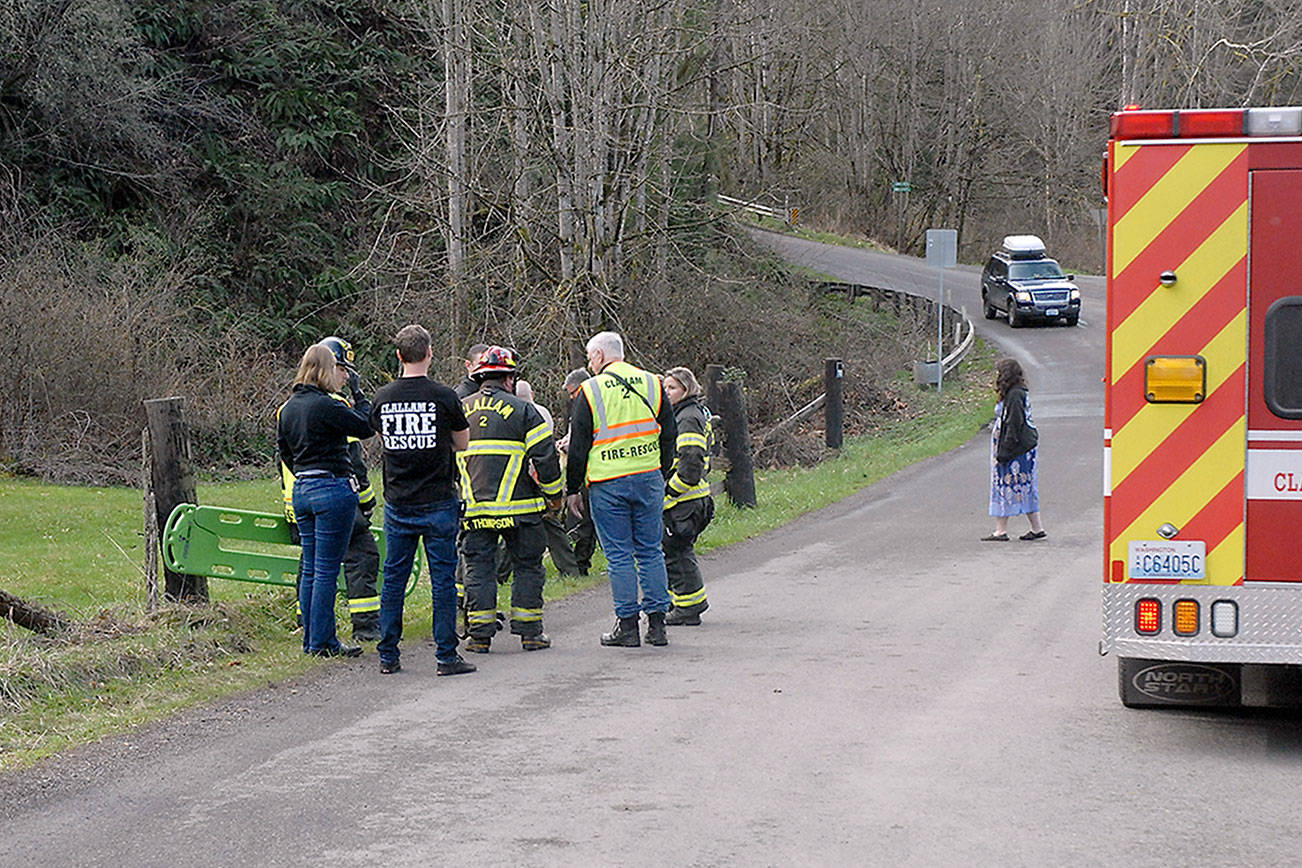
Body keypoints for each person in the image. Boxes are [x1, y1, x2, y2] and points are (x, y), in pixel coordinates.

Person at [371, 324, 475, 676]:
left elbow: (382, 436)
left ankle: (388, 654)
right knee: (443, 580)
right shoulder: (445, 397)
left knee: (394, 579)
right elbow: (463, 444)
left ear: (398, 356)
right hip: (438, 500)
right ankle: (446, 656)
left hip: (399, 500)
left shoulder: (382, 398)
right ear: (430, 353)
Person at [566, 331, 676, 647]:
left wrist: (573, 488)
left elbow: (578, 446)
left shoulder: (590, 390)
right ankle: (658, 627)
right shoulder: (654, 383)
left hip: (607, 483)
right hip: (648, 477)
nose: (589, 363)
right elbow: (669, 434)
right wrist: (661, 472)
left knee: (619, 555)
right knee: (651, 550)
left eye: (590, 357)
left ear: (600, 356)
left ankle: (627, 627)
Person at [458, 350, 564, 653]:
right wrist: (554, 498)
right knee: (528, 566)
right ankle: (530, 633)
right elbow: (546, 460)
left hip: (475, 508)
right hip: (522, 510)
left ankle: (478, 636)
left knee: (478, 567)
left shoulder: (460, 409)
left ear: (478, 378)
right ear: (510, 378)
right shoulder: (526, 411)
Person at [277, 336, 382, 642]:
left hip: (302, 491)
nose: (346, 376)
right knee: (326, 571)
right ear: (325, 370)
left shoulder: (288, 409)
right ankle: (324, 641)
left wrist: (305, 471)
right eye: (342, 370)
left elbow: (285, 452)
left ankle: (311, 636)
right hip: (331, 489)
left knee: (311, 567)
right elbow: (366, 427)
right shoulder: (327, 405)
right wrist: (360, 394)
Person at [661, 366, 714, 626]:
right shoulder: (687, 413)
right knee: (675, 552)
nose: (667, 392)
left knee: (678, 552)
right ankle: (682, 603)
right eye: (665, 387)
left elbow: (691, 459)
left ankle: (689, 608)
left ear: (687, 389)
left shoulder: (688, 417)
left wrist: (671, 491)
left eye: (672, 388)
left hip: (685, 499)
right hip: (691, 498)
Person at [983, 357, 1046, 542]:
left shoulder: (1015, 394)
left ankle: (1001, 531)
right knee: (1025, 487)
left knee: (1005, 486)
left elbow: (1014, 423)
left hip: (1016, 450)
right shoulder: (1016, 392)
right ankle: (1035, 528)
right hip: (1020, 449)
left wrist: (1005, 450)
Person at [558, 368, 598, 574]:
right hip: (588, 472)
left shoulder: (591, 405)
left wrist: (569, 447)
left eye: (574, 392)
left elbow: (583, 443)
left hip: (590, 472)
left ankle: (580, 565)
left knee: (583, 521)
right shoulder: (582, 407)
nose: (573, 398)